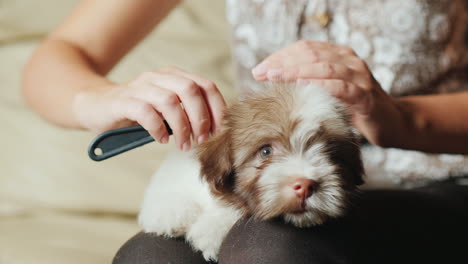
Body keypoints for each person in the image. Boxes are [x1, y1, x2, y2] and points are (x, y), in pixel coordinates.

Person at [22, 0, 468, 263]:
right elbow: (60, 56)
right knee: (150, 256)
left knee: (271, 249)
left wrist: (403, 119)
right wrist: (100, 99)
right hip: (265, 186)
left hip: (443, 186)